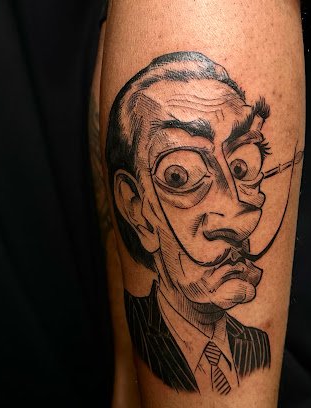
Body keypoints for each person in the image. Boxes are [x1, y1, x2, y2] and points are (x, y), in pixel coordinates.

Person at [106, 52, 278, 393]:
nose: (239, 218)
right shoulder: (141, 341)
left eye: (242, 167)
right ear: (137, 208)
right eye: (180, 175)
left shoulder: (258, 346)